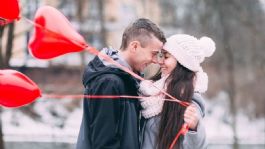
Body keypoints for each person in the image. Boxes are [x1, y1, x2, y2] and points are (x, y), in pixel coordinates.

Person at [76, 18, 166, 149]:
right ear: (134, 46)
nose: (155, 61)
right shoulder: (109, 82)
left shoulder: (127, 80)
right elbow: (104, 143)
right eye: (153, 54)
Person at [139, 34, 216, 149]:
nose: (160, 61)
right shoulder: (152, 92)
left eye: (166, 57)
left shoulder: (189, 99)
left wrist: (194, 128)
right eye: (161, 56)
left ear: (182, 61)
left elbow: (198, 146)